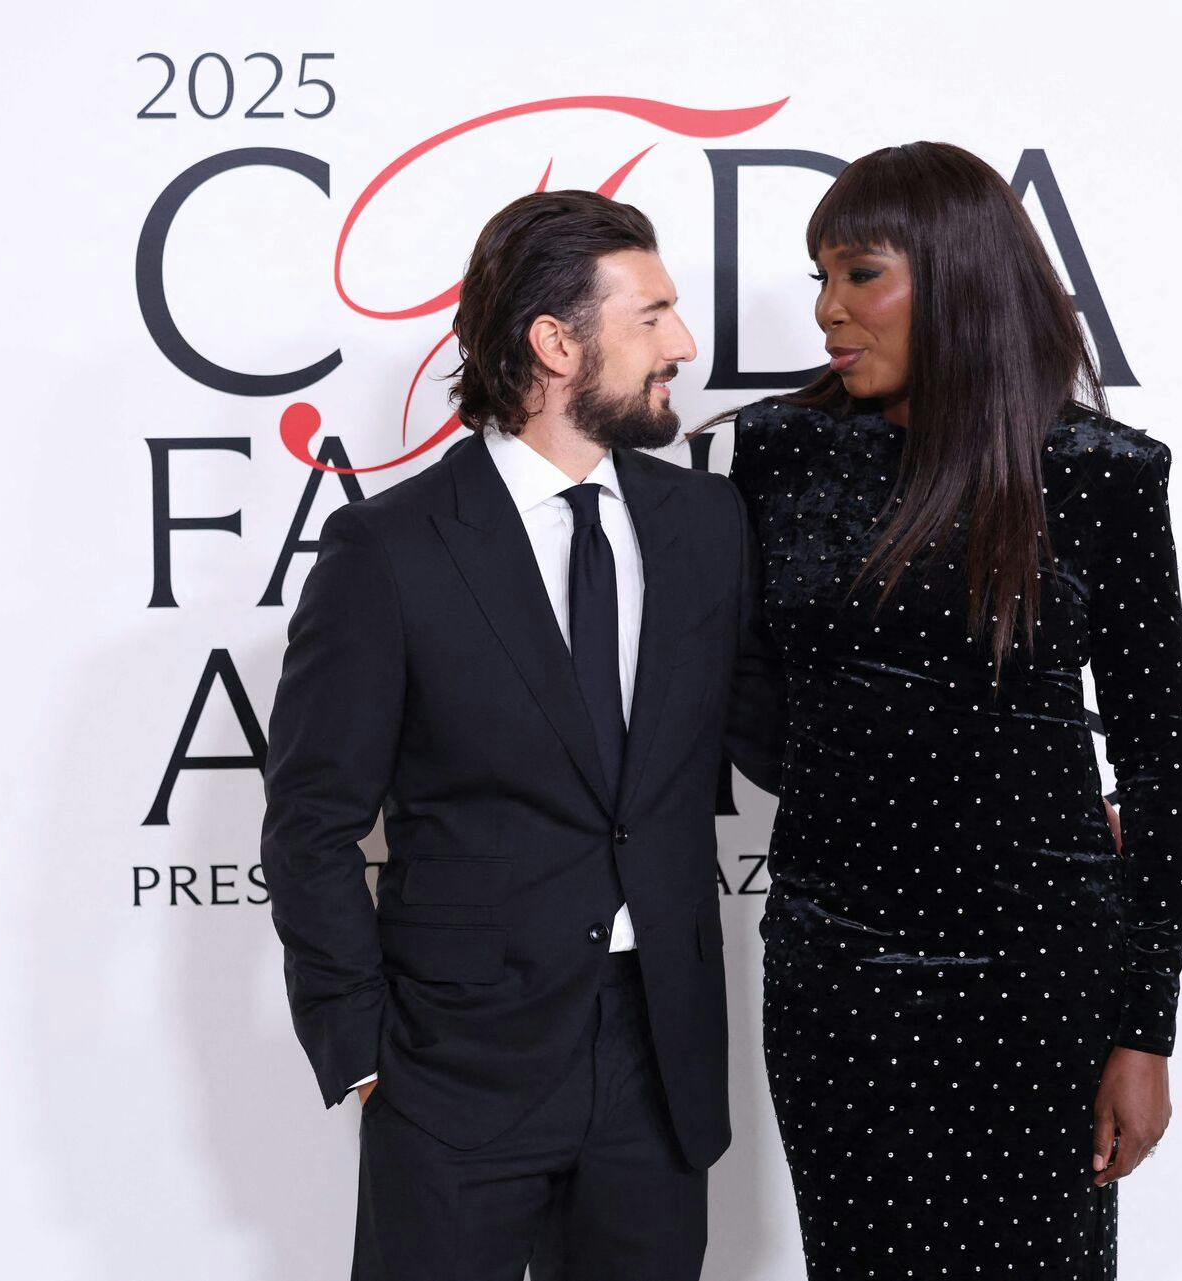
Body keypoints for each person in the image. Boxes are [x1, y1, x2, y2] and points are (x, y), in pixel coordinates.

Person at [262, 189, 781, 1281]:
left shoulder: (705, 527)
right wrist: (358, 1049)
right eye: (652, 316)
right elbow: (311, 822)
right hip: (456, 1071)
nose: (683, 345)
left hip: (658, 1060)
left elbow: (774, 742)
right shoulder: (390, 550)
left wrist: (1022, 799)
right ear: (555, 343)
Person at [718, 142, 1182, 1278]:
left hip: (1039, 974)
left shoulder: (1097, 471)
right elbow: (747, 696)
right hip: (837, 967)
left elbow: (1159, 763)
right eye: (819, 279)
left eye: (860, 275)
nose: (829, 311)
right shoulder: (781, 450)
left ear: (958, 279)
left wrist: (1144, 1032)